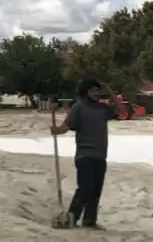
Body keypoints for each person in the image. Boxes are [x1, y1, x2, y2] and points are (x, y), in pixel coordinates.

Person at [49, 77, 118, 228]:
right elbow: (67, 126)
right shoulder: (78, 108)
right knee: (85, 187)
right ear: (85, 92)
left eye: (97, 90)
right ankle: (72, 216)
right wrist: (57, 131)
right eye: (93, 91)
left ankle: (89, 220)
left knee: (96, 190)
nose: (96, 93)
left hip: (101, 156)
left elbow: (119, 110)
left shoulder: (102, 109)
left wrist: (110, 92)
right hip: (84, 155)